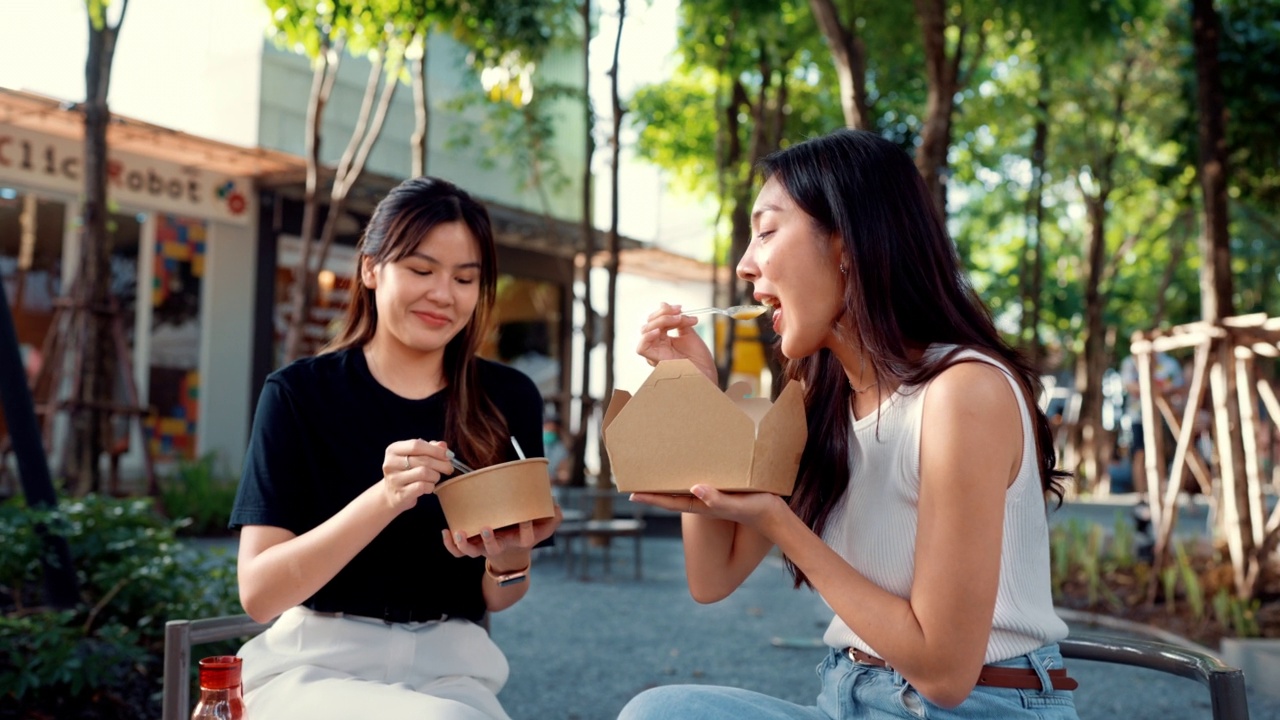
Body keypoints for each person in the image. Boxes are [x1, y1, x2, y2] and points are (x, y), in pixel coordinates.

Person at [620, 130, 1078, 720]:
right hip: (849, 699)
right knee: (660, 713)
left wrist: (782, 525)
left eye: (766, 231)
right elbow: (713, 577)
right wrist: (693, 398)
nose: (744, 263)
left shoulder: (964, 393)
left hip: (980, 708)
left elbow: (944, 672)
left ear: (845, 244)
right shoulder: (819, 401)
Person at [229, 176, 561, 720]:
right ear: (370, 267)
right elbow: (259, 594)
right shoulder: (298, 395)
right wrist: (384, 498)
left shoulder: (507, 398)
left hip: (453, 671)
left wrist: (508, 555)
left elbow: (501, 595)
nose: (442, 295)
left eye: (464, 278)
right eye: (421, 270)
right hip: (314, 668)